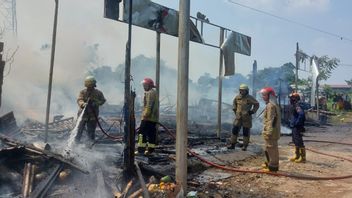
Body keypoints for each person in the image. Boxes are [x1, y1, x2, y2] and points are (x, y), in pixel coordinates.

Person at [228, 84, 259, 151]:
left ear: (246, 91)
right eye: (240, 90)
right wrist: (235, 111)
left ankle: (245, 146)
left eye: (243, 90)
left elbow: (256, 104)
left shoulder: (250, 98)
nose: (242, 91)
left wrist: (252, 111)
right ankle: (232, 144)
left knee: (246, 132)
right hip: (238, 118)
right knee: (234, 130)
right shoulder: (237, 97)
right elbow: (234, 104)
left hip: (246, 118)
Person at [75, 76, 106, 143]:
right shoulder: (83, 92)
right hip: (83, 115)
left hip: (93, 115)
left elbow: (103, 100)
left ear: (94, 84)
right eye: (88, 85)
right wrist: (83, 104)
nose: (90, 87)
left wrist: (96, 103)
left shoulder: (98, 93)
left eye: (91, 85)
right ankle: (75, 143)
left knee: (91, 131)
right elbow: (79, 99)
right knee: (78, 130)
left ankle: (90, 144)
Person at [136, 77, 159, 155]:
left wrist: (145, 115)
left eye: (145, 85)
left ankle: (141, 150)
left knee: (141, 133)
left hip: (148, 118)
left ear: (149, 85)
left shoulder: (150, 93)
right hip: (153, 119)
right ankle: (150, 150)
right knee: (151, 134)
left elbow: (149, 106)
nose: (144, 87)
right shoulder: (154, 92)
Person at [260, 87, 281, 172]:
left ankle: (273, 167)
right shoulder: (273, 104)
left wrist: (268, 132)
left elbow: (270, 120)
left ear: (270, 96)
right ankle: (268, 163)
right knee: (269, 148)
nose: (263, 97)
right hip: (273, 130)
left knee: (272, 148)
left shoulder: (270, 106)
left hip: (271, 131)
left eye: (264, 95)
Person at [288, 92, 306, 163]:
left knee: (299, 141)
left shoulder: (297, 105)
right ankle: (297, 156)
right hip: (294, 126)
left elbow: (301, 115)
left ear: (295, 99)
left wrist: (297, 123)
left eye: (292, 98)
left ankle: (303, 157)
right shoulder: (294, 105)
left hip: (297, 126)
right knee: (295, 141)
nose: (291, 99)